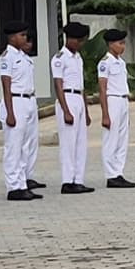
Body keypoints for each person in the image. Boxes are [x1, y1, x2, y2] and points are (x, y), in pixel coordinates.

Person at [0, 25, 42, 201]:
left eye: (25, 34)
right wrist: (10, 112)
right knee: (14, 147)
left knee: (26, 145)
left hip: (29, 100)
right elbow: (6, 84)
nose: (25, 38)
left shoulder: (24, 57)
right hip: (15, 101)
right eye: (21, 34)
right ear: (12, 37)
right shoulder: (7, 57)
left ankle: (22, 182)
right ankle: (13, 187)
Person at [51, 23, 92, 194]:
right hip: (66, 98)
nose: (80, 44)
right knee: (68, 143)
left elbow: (81, 86)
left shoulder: (77, 57)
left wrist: (86, 111)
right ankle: (68, 181)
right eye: (79, 41)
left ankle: (78, 179)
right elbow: (58, 85)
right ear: (70, 39)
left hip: (78, 99)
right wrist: (66, 110)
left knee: (81, 142)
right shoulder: (60, 58)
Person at [96, 27, 134, 188]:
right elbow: (102, 89)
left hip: (123, 100)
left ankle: (119, 172)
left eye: (124, 43)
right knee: (111, 139)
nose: (123, 46)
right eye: (120, 43)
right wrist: (105, 113)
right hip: (112, 100)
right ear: (111, 44)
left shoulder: (121, 62)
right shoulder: (105, 63)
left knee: (122, 139)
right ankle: (111, 175)